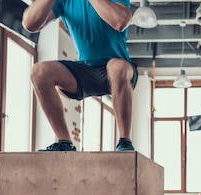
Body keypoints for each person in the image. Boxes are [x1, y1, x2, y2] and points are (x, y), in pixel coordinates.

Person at [22, 0, 138, 152]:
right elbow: (30, 24)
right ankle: (64, 142)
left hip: (120, 72)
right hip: (86, 71)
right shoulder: (64, 2)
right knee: (39, 72)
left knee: (116, 67)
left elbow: (120, 21)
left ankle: (125, 142)